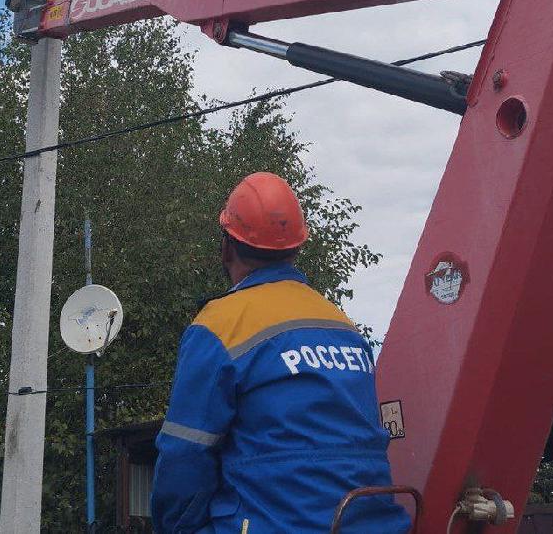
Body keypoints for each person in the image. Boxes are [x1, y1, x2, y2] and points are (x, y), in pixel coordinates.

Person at [151, 172, 413, 533]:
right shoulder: (343, 327)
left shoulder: (219, 325)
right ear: (296, 249)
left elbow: (185, 453)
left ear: (227, 248)